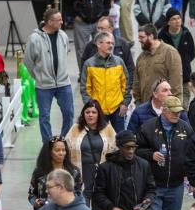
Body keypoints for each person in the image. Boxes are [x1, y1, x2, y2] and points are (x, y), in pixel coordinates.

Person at [136, 95, 193, 210]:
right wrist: (150, 155)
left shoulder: (185, 128)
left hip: (176, 185)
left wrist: (190, 177)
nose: (177, 115)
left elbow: (192, 154)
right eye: (174, 112)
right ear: (165, 111)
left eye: (179, 112)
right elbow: (136, 149)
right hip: (155, 185)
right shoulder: (148, 128)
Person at [24, 8, 74, 144]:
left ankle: (64, 141)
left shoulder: (63, 35)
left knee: (69, 113)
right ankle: (48, 145)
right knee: (44, 117)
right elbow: (28, 61)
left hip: (63, 83)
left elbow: (66, 53)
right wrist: (39, 76)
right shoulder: (34, 38)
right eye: (59, 20)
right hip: (44, 85)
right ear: (50, 22)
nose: (62, 22)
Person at [66, 100, 117, 210]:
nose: (90, 115)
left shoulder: (108, 128)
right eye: (87, 112)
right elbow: (65, 147)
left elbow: (116, 149)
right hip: (81, 174)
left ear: (99, 114)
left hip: (101, 175)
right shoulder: (75, 128)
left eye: (94, 112)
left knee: (98, 209)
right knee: (82, 207)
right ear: (83, 114)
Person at [81, 31, 132, 132]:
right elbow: (85, 89)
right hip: (98, 110)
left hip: (117, 109)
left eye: (112, 43)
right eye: (108, 43)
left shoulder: (119, 62)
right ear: (99, 44)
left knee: (120, 139)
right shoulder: (89, 64)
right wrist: (91, 107)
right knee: (98, 139)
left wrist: (125, 103)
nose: (111, 45)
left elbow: (126, 84)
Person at [70, 0, 107, 68]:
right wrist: (74, 16)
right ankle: (83, 72)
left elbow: (107, 1)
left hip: (97, 22)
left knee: (101, 46)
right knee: (81, 49)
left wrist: (104, 14)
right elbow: (67, 3)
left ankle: (100, 69)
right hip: (81, 23)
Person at [80, 16, 136, 86]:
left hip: (118, 88)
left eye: (102, 28)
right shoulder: (91, 45)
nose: (99, 31)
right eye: (98, 28)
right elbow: (84, 67)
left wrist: (129, 87)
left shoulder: (122, 44)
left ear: (111, 29)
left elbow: (130, 67)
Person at [135, 25, 184, 103]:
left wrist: (173, 108)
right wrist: (138, 104)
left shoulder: (170, 53)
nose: (139, 40)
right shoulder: (141, 58)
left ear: (151, 36)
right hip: (145, 108)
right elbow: (137, 84)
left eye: (142, 37)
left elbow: (176, 84)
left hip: (165, 108)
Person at [28, 137, 79, 210]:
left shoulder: (74, 172)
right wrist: (35, 202)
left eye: (63, 150)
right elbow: (31, 194)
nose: (61, 153)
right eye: (57, 150)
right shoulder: (39, 172)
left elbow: (79, 193)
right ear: (49, 152)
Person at [159, 9, 195, 99]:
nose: (177, 21)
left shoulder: (186, 34)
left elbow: (192, 53)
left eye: (179, 18)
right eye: (173, 19)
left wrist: (184, 63)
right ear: (168, 22)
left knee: (183, 107)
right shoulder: (162, 36)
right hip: (167, 79)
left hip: (185, 77)